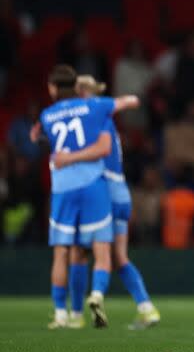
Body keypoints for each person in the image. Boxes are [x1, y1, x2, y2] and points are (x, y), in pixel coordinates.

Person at [52, 75, 160, 329]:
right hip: (122, 191)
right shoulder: (107, 117)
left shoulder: (91, 118)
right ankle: (146, 308)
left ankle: (79, 312)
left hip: (104, 193)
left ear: (82, 94)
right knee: (120, 257)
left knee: (79, 253)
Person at [37, 66, 116, 328]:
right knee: (91, 250)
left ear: (53, 87)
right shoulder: (95, 110)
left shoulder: (48, 114)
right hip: (93, 183)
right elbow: (105, 143)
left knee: (62, 251)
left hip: (62, 187)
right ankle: (85, 305)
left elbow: (39, 135)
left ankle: (62, 313)